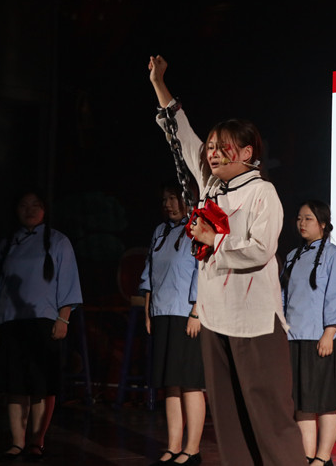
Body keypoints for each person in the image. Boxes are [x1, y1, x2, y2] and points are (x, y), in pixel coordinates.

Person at [148, 55, 306, 465]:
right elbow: (181, 136)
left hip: (254, 319)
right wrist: (160, 84)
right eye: (212, 147)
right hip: (215, 315)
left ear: (248, 152)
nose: (213, 153)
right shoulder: (210, 187)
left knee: (267, 410)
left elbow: (261, 249)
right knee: (228, 413)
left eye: (223, 148)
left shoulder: (262, 193)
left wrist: (214, 239)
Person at [0, 191, 83, 461]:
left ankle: (37, 440)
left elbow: (69, 281)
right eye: (24, 205)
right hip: (11, 321)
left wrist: (63, 318)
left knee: (41, 386)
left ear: (45, 209)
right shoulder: (7, 244)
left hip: (44, 321)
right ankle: (17, 441)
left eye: (36, 205)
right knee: (15, 385)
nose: (30, 209)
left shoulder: (58, 241)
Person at [281, 200, 336, 466]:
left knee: (326, 401)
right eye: (299, 218)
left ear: (323, 223)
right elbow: (283, 296)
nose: (302, 223)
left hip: (322, 338)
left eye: (308, 218)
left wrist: (329, 332)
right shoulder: (293, 256)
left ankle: (323, 458)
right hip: (295, 336)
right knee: (303, 402)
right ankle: (307, 456)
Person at [140, 181, 206, 466]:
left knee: (189, 383)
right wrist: (148, 312)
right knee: (170, 384)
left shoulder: (198, 228)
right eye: (165, 199)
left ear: (187, 199)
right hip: (162, 312)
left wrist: (196, 311)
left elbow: (203, 272)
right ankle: (173, 446)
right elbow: (149, 274)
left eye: (174, 198)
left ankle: (192, 449)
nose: (168, 204)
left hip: (185, 313)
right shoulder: (159, 231)